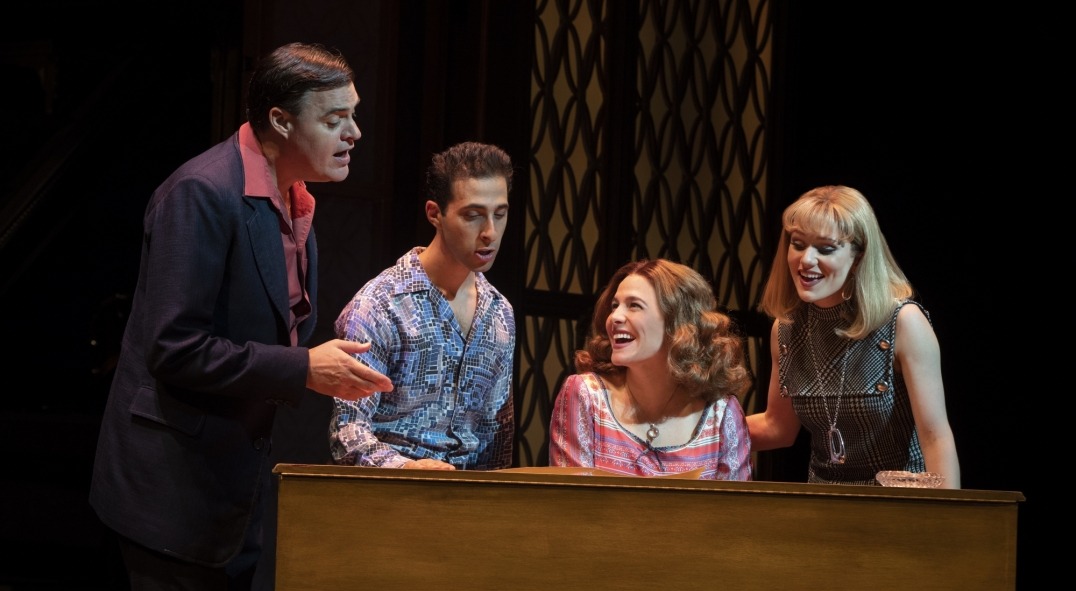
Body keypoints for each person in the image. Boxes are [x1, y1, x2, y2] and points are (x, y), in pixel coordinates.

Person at [89, 42, 394, 591]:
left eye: (354, 115)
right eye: (335, 119)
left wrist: (314, 364)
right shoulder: (201, 193)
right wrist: (303, 367)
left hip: (231, 483)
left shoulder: (294, 199)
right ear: (281, 120)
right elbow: (174, 347)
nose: (354, 133)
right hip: (173, 485)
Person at [746, 185, 961, 488]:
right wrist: (697, 434)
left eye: (825, 248)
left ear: (858, 256)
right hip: (824, 502)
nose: (806, 260)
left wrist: (948, 514)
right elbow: (777, 427)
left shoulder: (903, 321)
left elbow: (935, 437)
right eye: (798, 244)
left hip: (899, 502)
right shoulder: (786, 328)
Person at [329, 141, 516, 470]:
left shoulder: (500, 313)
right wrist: (405, 469)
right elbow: (347, 431)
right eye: (473, 216)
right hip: (388, 492)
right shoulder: (381, 305)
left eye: (499, 215)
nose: (490, 232)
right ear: (435, 214)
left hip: (469, 496)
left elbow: (495, 440)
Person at [549, 258, 752, 479]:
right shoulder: (586, 395)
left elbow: (733, 501)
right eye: (615, 306)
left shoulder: (721, 413)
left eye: (634, 305)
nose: (614, 317)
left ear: (677, 323)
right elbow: (572, 496)